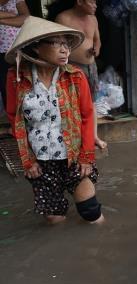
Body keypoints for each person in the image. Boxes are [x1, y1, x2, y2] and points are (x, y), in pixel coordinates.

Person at [5, 16, 104, 225]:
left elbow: (87, 114)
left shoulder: (75, 76)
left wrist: (87, 156)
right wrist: (27, 161)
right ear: (36, 48)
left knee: (91, 212)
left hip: (74, 156)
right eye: (56, 43)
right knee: (56, 220)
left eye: (66, 43)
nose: (65, 49)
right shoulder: (16, 78)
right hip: (41, 162)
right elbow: (15, 119)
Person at [51, 0, 107, 149]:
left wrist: (96, 49)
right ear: (80, 2)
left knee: (92, 103)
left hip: (91, 66)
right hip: (71, 67)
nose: (95, 5)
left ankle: (93, 137)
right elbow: (56, 45)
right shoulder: (63, 18)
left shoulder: (93, 19)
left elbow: (98, 41)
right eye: (92, 2)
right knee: (71, 104)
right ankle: (73, 138)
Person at [0, 0, 29, 112]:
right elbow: (19, 19)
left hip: (18, 48)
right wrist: (13, 16)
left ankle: (25, 113)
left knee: (21, 80)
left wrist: (2, 19)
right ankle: (11, 116)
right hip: (1, 52)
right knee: (5, 84)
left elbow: (26, 19)